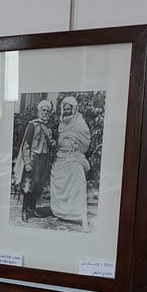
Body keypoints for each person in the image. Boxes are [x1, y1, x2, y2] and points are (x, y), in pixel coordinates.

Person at [48, 96, 91, 229]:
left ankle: (81, 216)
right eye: (65, 109)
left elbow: (85, 142)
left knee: (78, 187)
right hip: (61, 158)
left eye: (69, 108)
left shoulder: (80, 123)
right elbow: (59, 140)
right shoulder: (61, 123)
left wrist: (73, 138)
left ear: (73, 109)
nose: (66, 111)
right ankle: (61, 212)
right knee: (58, 183)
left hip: (73, 158)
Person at [14, 100, 55, 220]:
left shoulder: (49, 128)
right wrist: (27, 162)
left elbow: (48, 144)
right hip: (33, 158)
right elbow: (26, 144)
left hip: (44, 160)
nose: (46, 113)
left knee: (38, 186)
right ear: (39, 111)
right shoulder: (33, 124)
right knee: (28, 185)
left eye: (48, 111)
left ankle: (32, 209)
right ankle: (24, 211)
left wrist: (52, 143)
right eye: (44, 110)